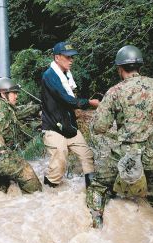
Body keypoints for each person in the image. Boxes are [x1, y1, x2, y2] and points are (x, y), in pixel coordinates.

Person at [86, 45, 153, 228]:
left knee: (98, 187)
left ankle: (96, 226)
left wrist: (116, 131)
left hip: (128, 156)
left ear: (120, 69)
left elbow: (98, 127)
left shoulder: (115, 92)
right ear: (139, 65)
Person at [41, 42, 100, 188]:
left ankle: (92, 192)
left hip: (69, 127)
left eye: (72, 57)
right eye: (67, 57)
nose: (71, 60)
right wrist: (90, 103)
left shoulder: (67, 75)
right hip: (53, 128)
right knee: (59, 163)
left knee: (87, 155)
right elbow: (66, 99)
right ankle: (49, 195)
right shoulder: (49, 75)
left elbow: (71, 99)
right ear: (57, 58)